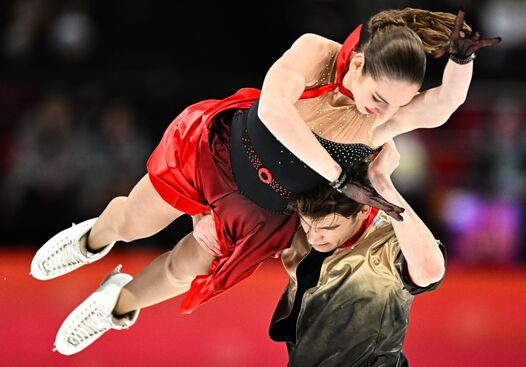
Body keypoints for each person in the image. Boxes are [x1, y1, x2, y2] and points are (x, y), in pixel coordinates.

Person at [30, 8, 500, 355]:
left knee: (183, 269)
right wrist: (337, 174)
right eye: (379, 97)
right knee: (133, 223)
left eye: (396, 105)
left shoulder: (378, 122)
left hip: (262, 210)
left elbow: (441, 107)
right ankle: (92, 239)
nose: (383, 112)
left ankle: (115, 305)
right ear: (357, 64)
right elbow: (275, 111)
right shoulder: (315, 53)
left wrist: (460, 62)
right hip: (214, 157)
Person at [269, 141, 446, 366]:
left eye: (329, 228)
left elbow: (430, 271)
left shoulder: (390, 240)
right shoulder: (305, 214)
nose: (313, 238)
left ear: (364, 210)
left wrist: (382, 182)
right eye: (307, 224)